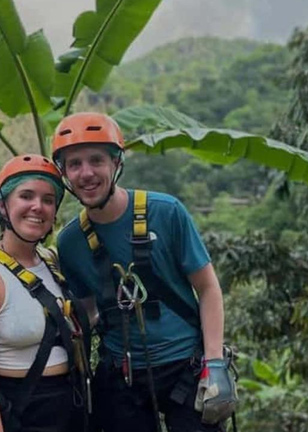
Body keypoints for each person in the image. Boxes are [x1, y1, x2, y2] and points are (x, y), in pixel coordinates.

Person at [51, 113, 237, 432]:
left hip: (185, 367)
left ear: (116, 163)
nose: (86, 173)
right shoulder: (70, 243)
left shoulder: (165, 213)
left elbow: (208, 288)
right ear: (64, 173)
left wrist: (215, 362)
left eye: (96, 160)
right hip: (123, 375)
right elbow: (90, 312)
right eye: (74, 164)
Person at [0, 154, 92, 432]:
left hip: (71, 411)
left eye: (48, 200)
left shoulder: (53, 264)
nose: (37, 207)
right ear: (3, 206)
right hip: (22, 413)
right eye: (26, 196)